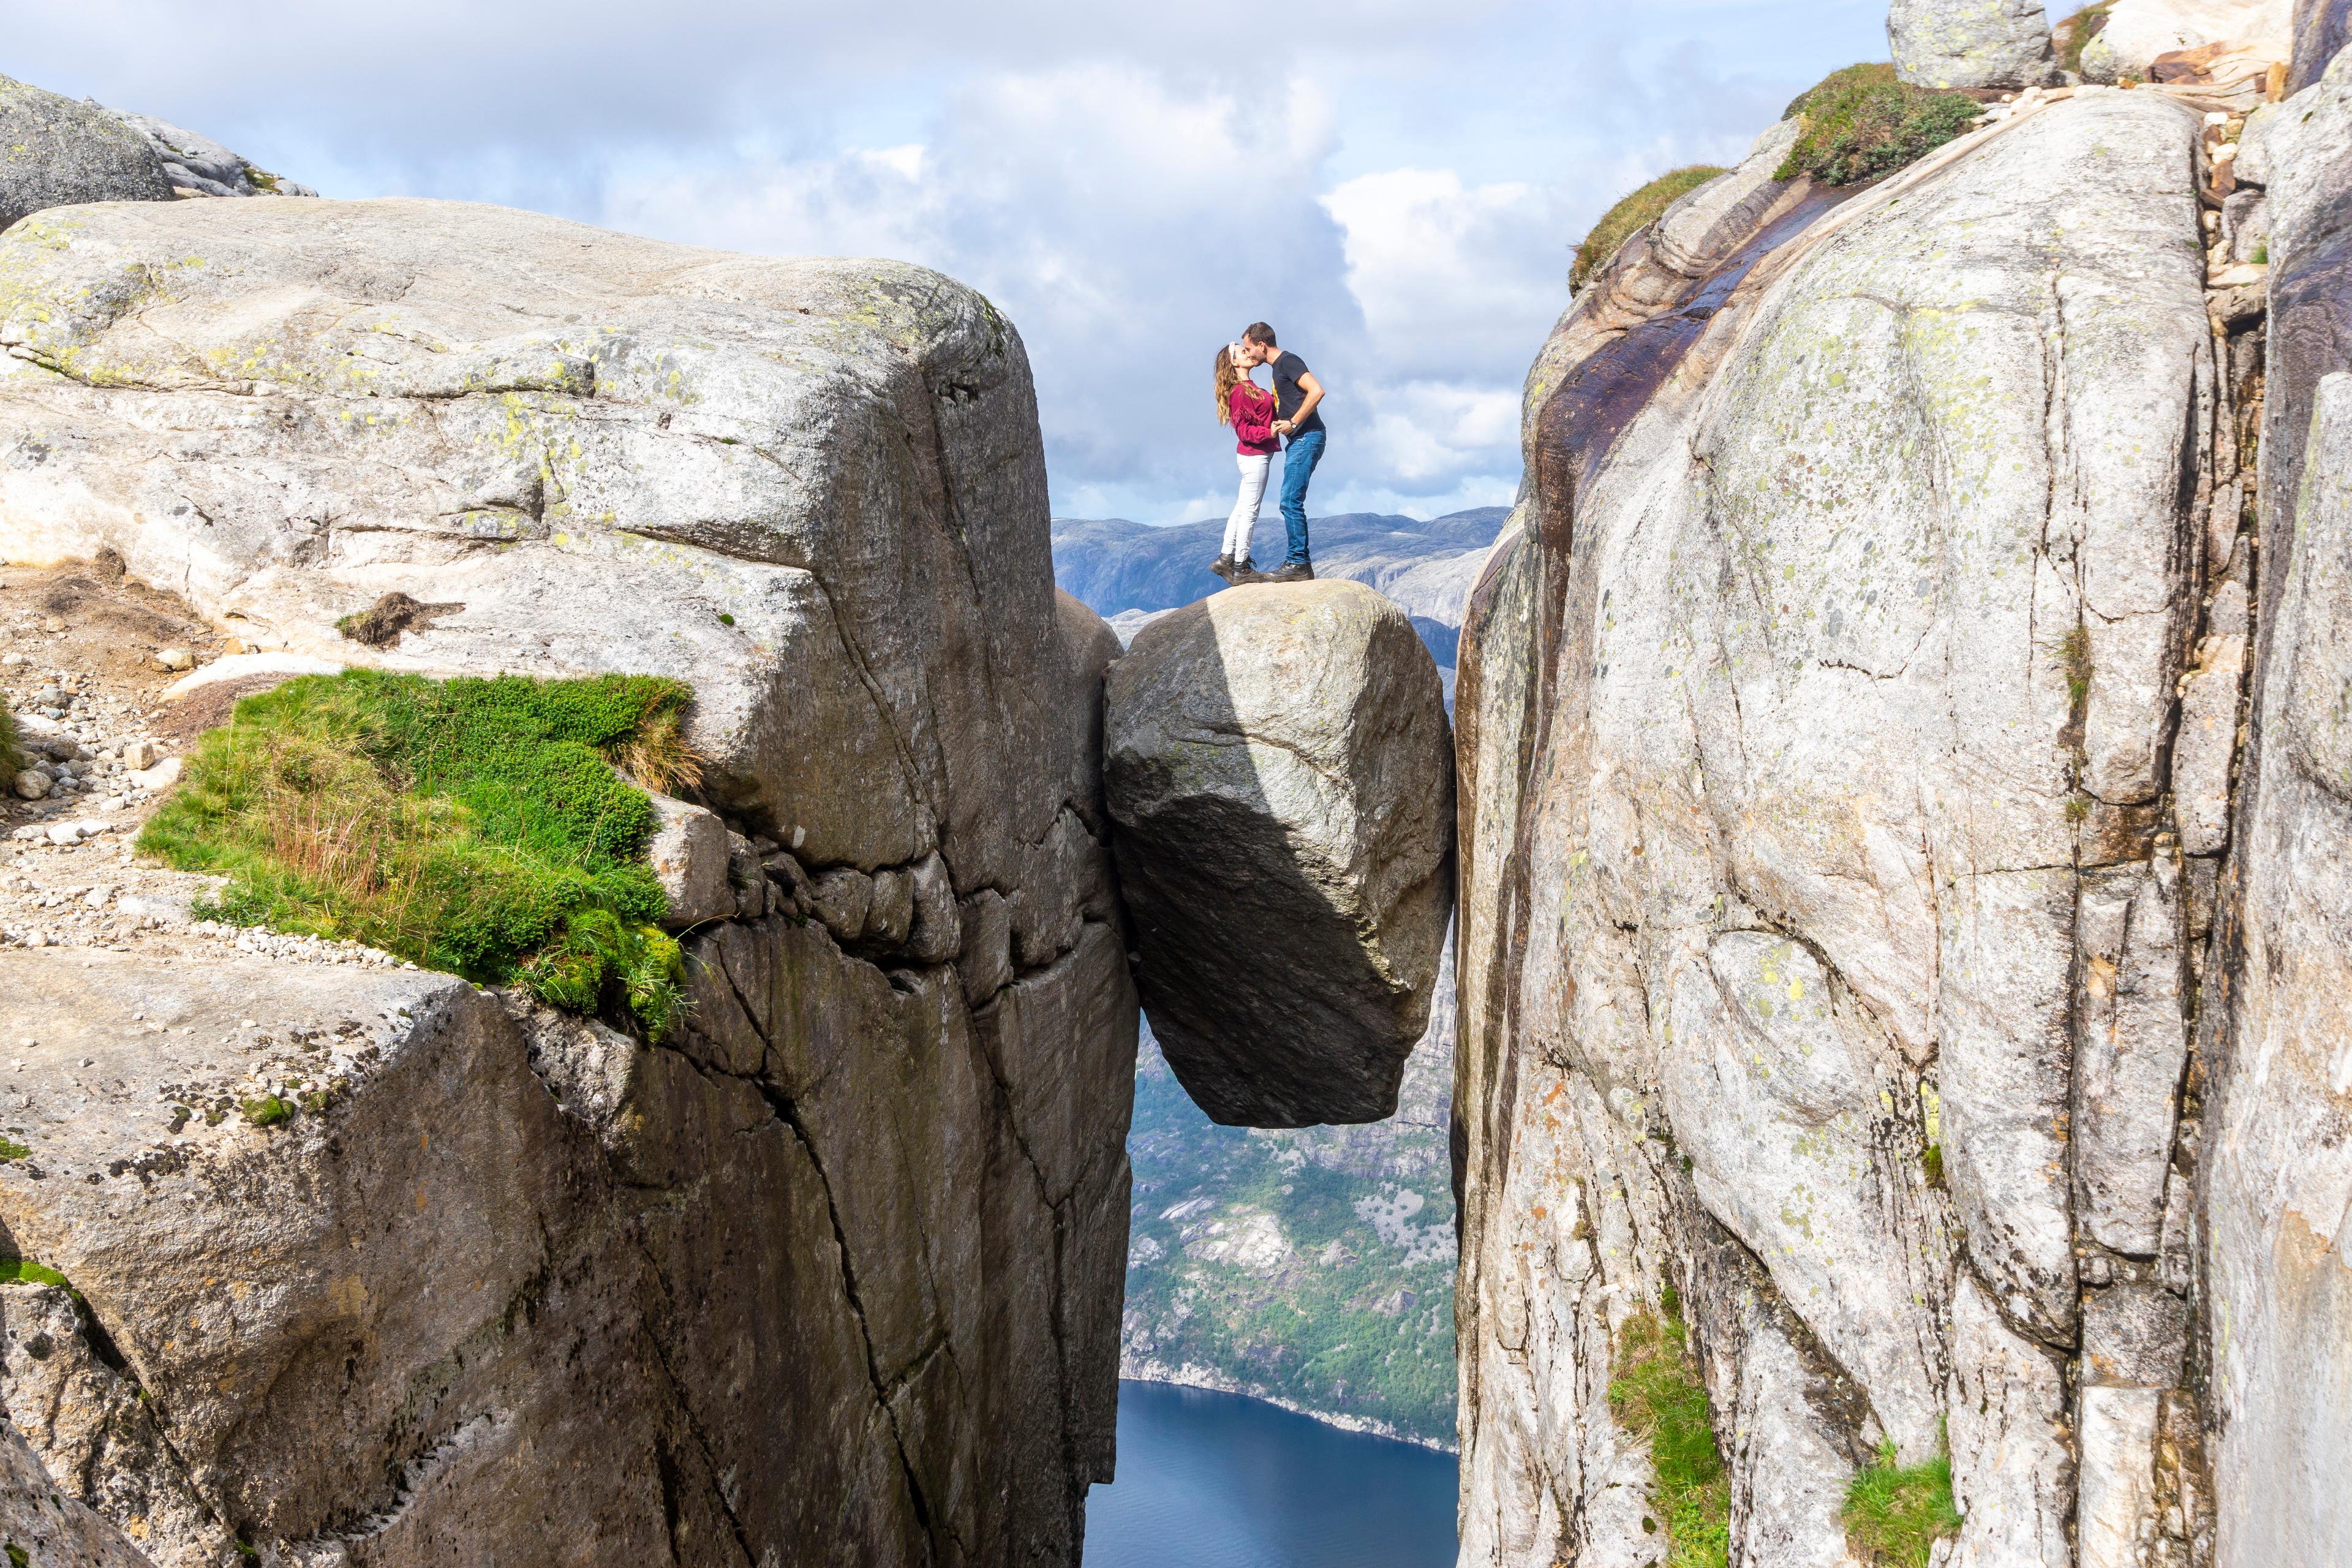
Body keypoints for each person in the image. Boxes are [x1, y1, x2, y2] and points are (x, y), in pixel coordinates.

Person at [1242, 322, 1324, 581]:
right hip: (1299, 439)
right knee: (1290, 500)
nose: (1249, 354)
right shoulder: (1278, 368)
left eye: (1249, 348)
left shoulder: (1288, 362)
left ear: (1261, 345)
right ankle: (1299, 562)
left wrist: (1294, 422)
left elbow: (1317, 390)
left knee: (1290, 501)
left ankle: (1298, 563)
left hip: (1307, 437)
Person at [1212, 342, 1280, 584]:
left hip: (1254, 455)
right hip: (1255, 455)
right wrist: (1269, 433)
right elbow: (1245, 431)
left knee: (1242, 508)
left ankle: (1226, 558)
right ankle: (1241, 565)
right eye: (1243, 352)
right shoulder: (1241, 392)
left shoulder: (1250, 388)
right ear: (1234, 363)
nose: (1248, 353)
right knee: (1250, 512)